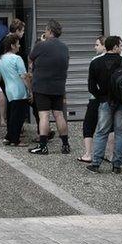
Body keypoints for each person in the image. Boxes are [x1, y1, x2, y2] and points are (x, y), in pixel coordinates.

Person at [86, 36, 122, 173]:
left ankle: (96, 163)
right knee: (121, 133)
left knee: (101, 132)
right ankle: (117, 165)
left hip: (105, 102)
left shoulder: (96, 63)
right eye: (120, 46)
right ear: (115, 47)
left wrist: (101, 97)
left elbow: (91, 87)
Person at [28, 20, 70, 155]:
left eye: (46, 30)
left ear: (50, 31)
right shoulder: (64, 47)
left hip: (42, 86)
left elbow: (31, 57)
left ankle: (43, 146)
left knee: (44, 115)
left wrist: (42, 42)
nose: (44, 33)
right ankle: (65, 145)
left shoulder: (41, 45)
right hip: (58, 86)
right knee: (59, 114)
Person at [79, 36, 114, 163]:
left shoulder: (96, 60)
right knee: (110, 127)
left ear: (104, 46)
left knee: (89, 125)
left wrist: (97, 95)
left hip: (96, 98)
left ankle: (89, 154)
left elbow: (92, 82)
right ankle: (111, 155)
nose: (95, 47)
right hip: (111, 98)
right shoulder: (117, 60)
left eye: (97, 45)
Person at [0, 34, 30, 147]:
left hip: (9, 92)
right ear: (12, 45)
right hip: (19, 91)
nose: (19, 46)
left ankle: (9, 137)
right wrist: (30, 90)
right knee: (18, 117)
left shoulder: (2, 59)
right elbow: (24, 76)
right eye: (18, 44)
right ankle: (15, 140)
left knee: (11, 115)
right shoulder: (17, 58)